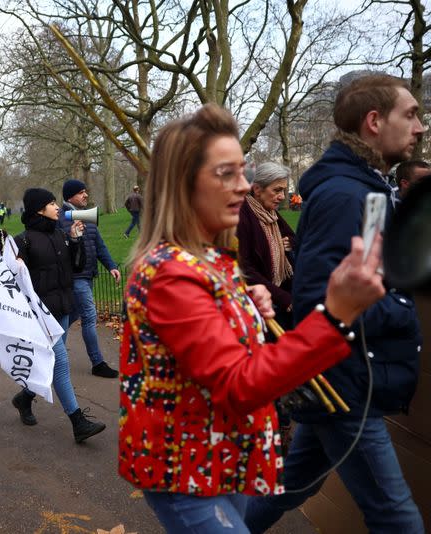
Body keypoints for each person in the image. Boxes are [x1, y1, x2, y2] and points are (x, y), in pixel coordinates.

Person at [118, 104, 391, 533]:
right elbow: (238, 383)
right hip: (189, 468)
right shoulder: (172, 273)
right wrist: (335, 316)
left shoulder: (210, 259)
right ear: (183, 185)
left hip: (227, 455)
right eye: (226, 173)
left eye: (243, 172)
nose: (244, 186)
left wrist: (244, 308)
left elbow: (223, 351)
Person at [246, 75, 426, 534]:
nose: (421, 127)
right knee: (397, 517)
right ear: (373, 121)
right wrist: (404, 309)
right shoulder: (349, 195)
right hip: (345, 384)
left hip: (344, 378)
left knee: (294, 486)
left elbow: (368, 273)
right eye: (411, 114)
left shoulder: (369, 188)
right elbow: (318, 301)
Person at [11, 187, 107, 443]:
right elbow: (11, 279)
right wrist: (15, 265)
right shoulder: (23, 241)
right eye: (52, 203)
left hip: (63, 308)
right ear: (40, 209)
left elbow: (76, 267)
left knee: (50, 362)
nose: (57, 207)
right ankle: (78, 422)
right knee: (61, 361)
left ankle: (24, 398)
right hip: (41, 314)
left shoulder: (60, 234)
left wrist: (75, 242)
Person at [58, 179, 121, 378]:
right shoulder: (61, 218)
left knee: (71, 316)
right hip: (76, 278)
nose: (86, 195)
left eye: (85, 191)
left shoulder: (86, 217)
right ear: (70, 196)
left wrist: (111, 266)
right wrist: (70, 234)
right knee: (89, 316)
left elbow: (99, 244)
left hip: (88, 276)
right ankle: (97, 363)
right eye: (81, 192)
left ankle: (50, 345)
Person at [236, 162, 295, 327]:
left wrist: (290, 242)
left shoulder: (271, 213)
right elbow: (245, 268)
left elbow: (293, 236)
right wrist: (283, 298)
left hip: (278, 297)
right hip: (261, 305)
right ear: (257, 189)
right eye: (277, 190)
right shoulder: (242, 216)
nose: (282, 196)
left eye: (283, 190)